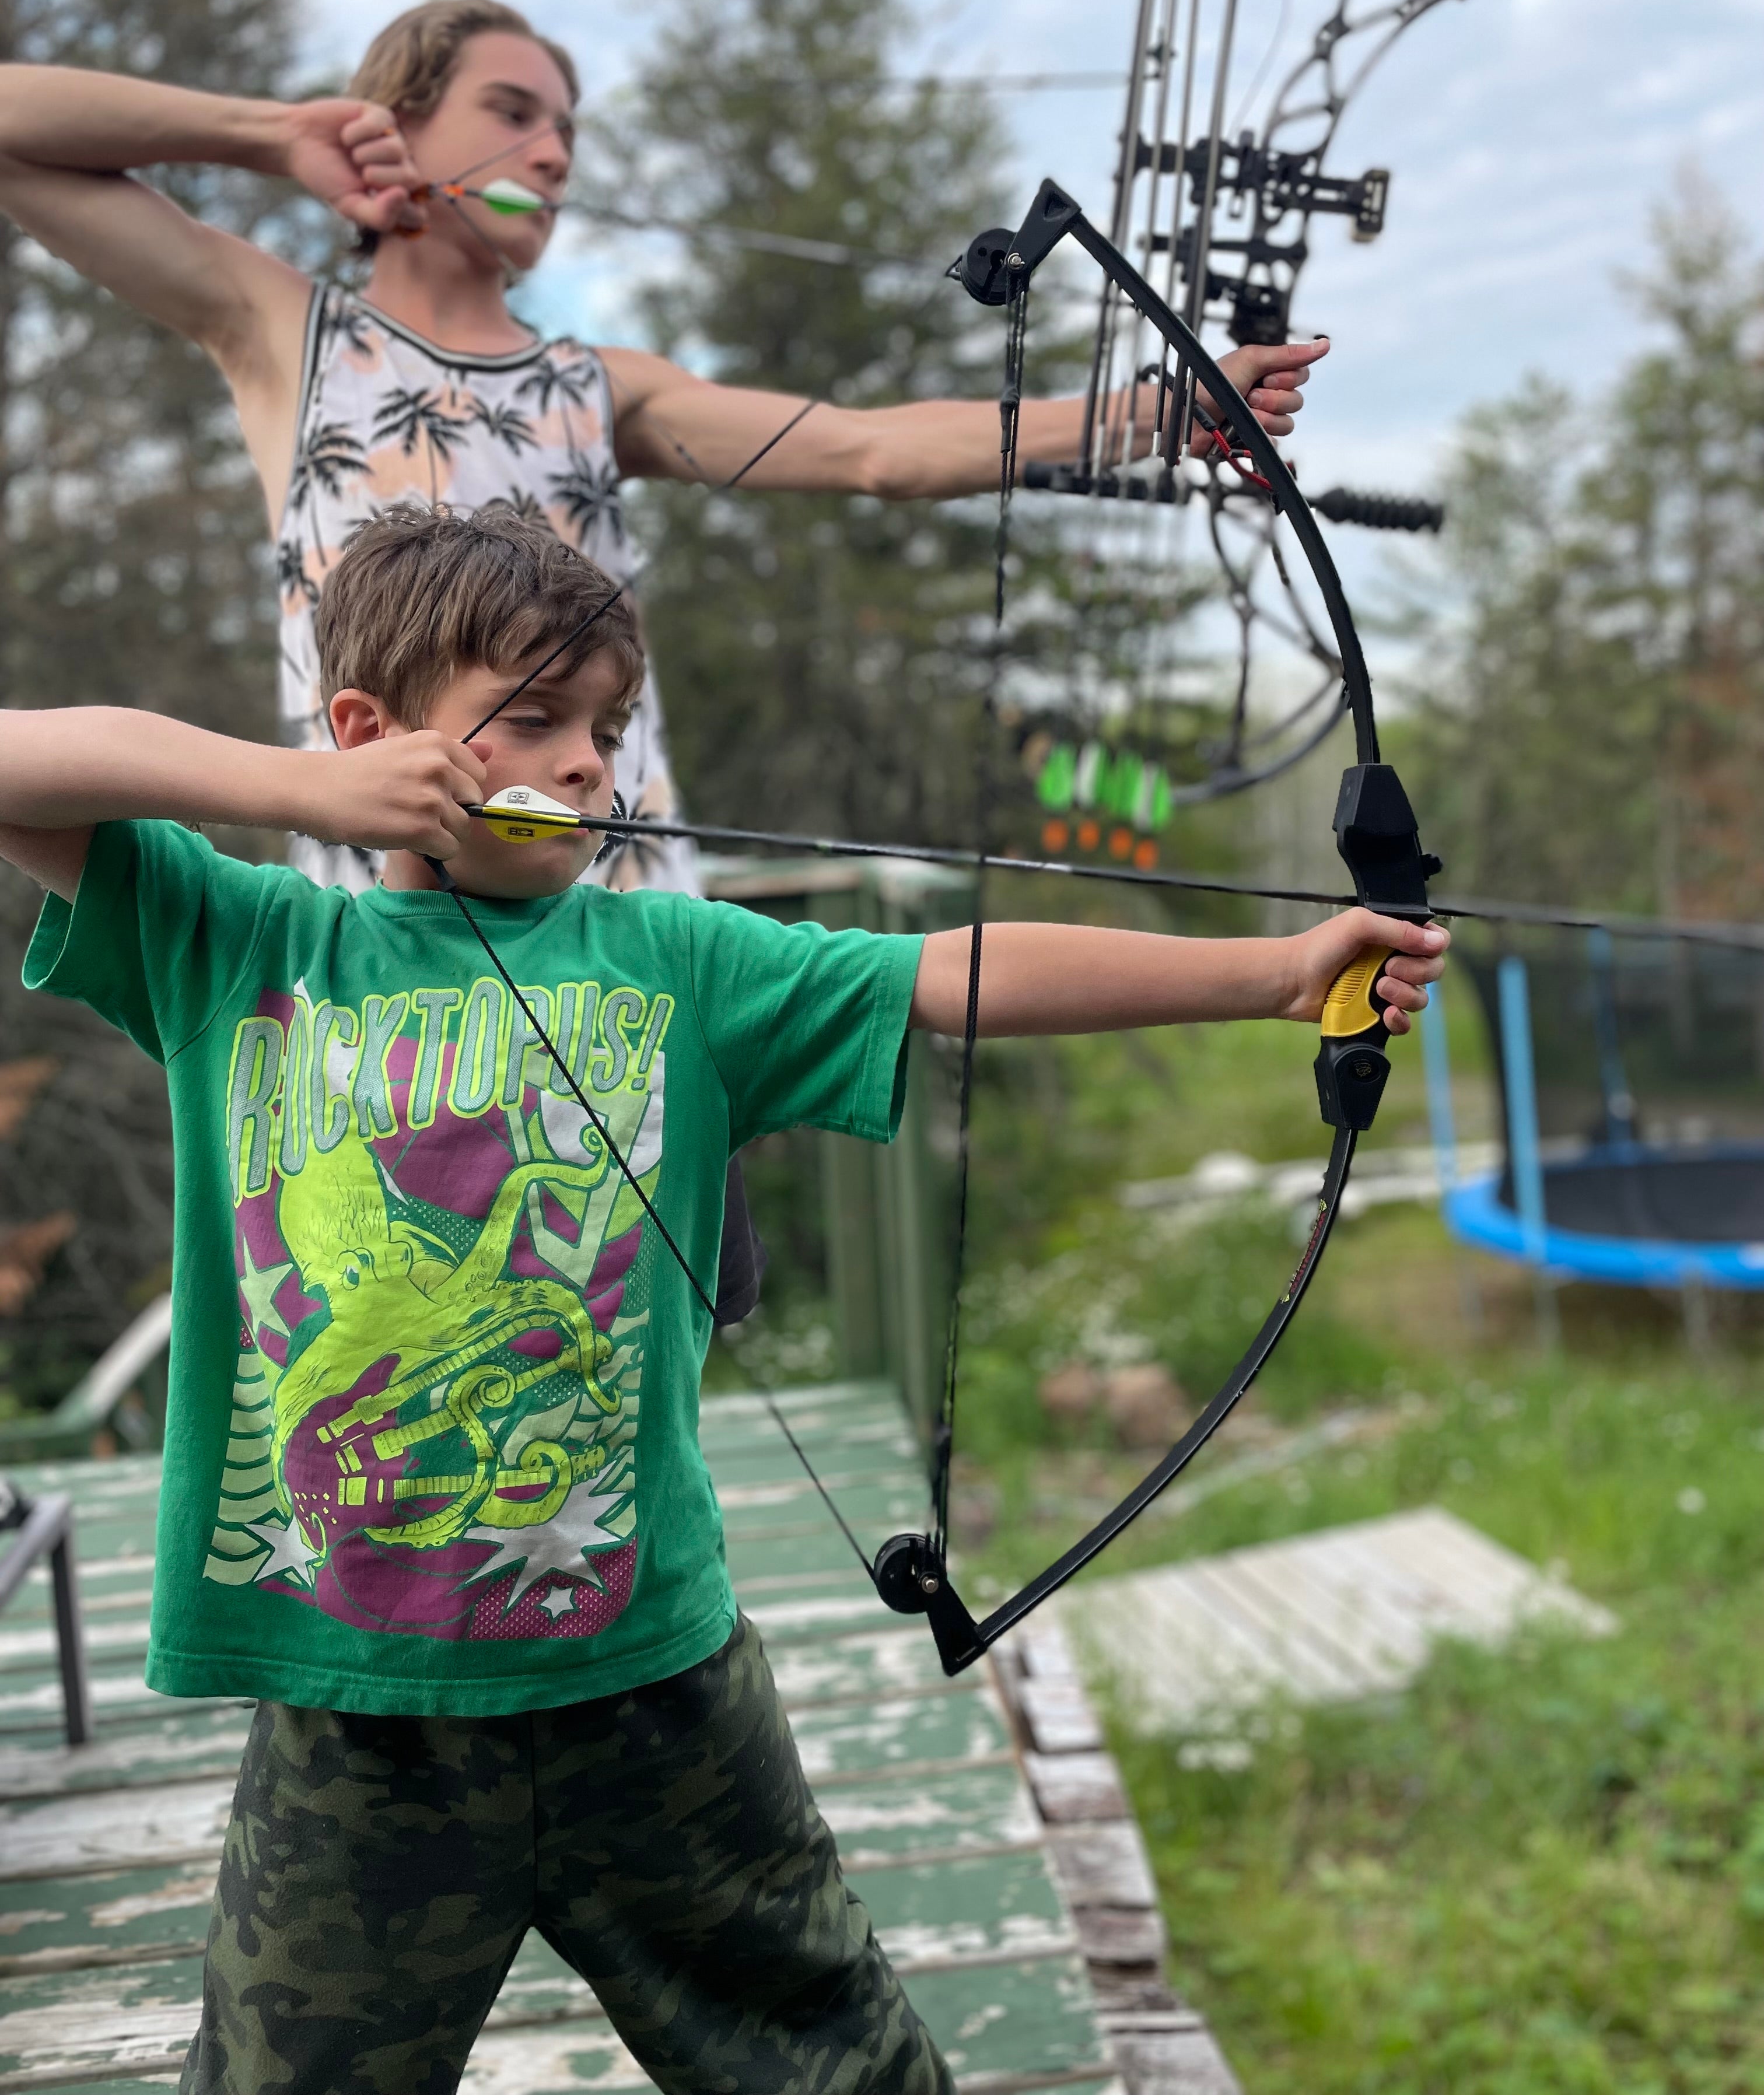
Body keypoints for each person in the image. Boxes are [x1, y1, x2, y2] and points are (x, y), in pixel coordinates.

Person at [0, 499, 1447, 2095]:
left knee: (835, 2068)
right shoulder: (240, 945)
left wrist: (1269, 974)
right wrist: (300, 794)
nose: (583, 770)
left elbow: (951, 975)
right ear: (370, 731)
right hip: (361, 1719)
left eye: (607, 732)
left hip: (657, 1695)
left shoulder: (678, 959)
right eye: (532, 719)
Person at [0, 0, 1331, 899]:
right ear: (396, 123)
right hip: (386, 943)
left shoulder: (596, 385)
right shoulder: (283, 327)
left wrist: (1155, 412)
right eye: (514, 112)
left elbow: (867, 451)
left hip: (623, 926)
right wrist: (268, 135)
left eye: (569, 129)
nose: (555, 153)